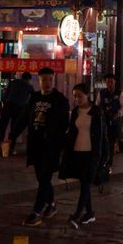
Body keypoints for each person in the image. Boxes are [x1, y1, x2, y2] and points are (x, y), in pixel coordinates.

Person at [25, 67, 70, 226]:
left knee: (44, 177)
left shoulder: (60, 100)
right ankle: (51, 204)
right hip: (35, 144)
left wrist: (56, 140)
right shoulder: (34, 97)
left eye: (50, 79)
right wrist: (10, 137)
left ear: (54, 79)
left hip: (51, 146)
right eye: (44, 80)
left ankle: (36, 211)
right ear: (39, 81)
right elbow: (26, 118)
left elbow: (64, 124)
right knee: (41, 178)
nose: (47, 83)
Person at [60, 83, 106, 229]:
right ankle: (90, 213)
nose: (77, 99)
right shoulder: (75, 112)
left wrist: (103, 156)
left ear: (87, 95)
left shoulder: (97, 112)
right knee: (84, 183)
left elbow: (101, 136)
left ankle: (77, 214)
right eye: (75, 96)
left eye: (80, 95)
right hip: (77, 151)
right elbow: (71, 131)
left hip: (91, 153)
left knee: (86, 183)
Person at [95, 73, 123, 169]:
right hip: (103, 121)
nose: (110, 84)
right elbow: (97, 105)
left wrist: (118, 114)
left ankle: (110, 160)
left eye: (111, 82)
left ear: (114, 82)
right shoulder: (101, 93)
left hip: (114, 121)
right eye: (108, 82)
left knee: (111, 141)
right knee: (102, 140)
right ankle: (102, 159)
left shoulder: (119, 93)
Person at [0, 72, 34, 157]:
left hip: (8, 105)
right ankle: (11, 148)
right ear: (29, 79)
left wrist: (4, 103)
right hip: (19, 108)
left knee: (2, 127)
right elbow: (33, 98)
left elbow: (6, 94)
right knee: (14, 128)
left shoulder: (13, 82)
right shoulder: (29, 86)